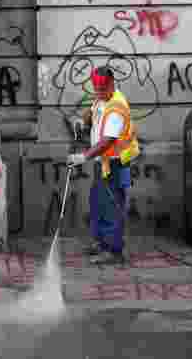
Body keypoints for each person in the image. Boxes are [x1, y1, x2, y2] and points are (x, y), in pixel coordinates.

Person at [67, 66, 138, 265]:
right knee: (99, 203)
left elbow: (106, 142)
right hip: (104, 163)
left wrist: (83, 157)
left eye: (102, 88)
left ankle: (114, 251)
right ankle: (101, 243)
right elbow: (92, 111)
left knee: (111, 206)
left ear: (112, 83)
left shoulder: (116, 107)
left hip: (115, 164)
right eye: (96, 88)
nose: (99, 92)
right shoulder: (101, 98)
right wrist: (81, 120)